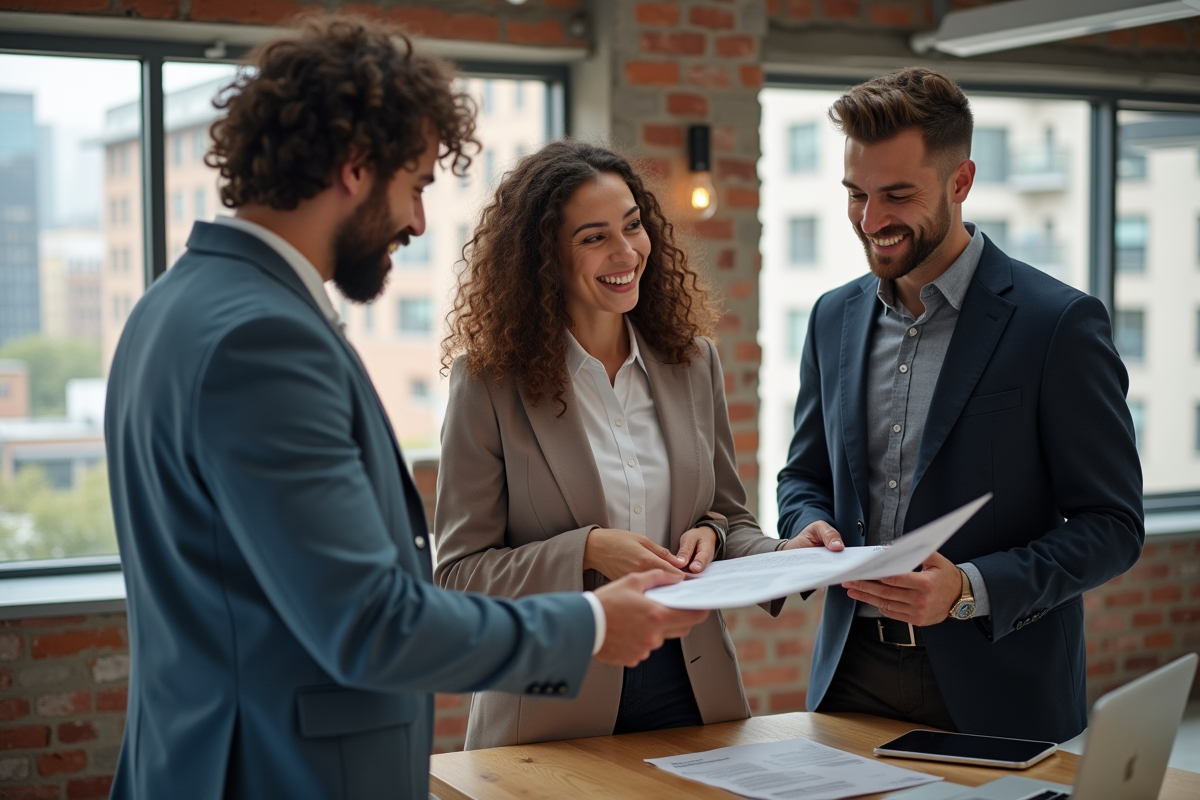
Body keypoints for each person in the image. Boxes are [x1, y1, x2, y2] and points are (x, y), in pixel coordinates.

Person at [104, 18, 708, 800]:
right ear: (356, 168)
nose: (419, 222)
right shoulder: (263, 338)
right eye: (416, 185)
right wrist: (592, 624)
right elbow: (369, 623)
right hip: (279, 773)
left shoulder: (173, 304)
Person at [777, 67, 1143, 743]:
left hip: (1000, 681)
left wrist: (970, 587)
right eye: (856, 194)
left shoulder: (1057, 324)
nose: (871, 220)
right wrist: (808, 526)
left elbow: (1113, 525)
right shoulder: (831, 317)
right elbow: (804, 475)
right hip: (849, 675)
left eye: (897, 195)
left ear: (961, 182)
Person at [434, 140, 796, 749]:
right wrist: (589, 551)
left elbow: (727, 519)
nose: (626, 252)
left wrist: (785, 555)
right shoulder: (489, 383)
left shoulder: (692, 362)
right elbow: (458, 576)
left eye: (632, 225)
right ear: (545, 257)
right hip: (551, 703)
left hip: (693, 687)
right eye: (593, 237)